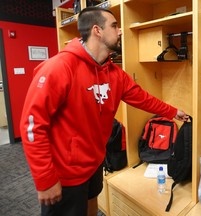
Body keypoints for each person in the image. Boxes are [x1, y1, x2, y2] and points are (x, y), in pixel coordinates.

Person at [20, 6, 189, 216]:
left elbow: (143, 99)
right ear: (97, 30)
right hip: (65, 172)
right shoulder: (59, 68)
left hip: (94, 163)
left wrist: (173, 112)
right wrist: (45, 179)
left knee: (91, 208)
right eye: (115, 26)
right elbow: (32, 126)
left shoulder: (115, 73)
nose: (120, 31)